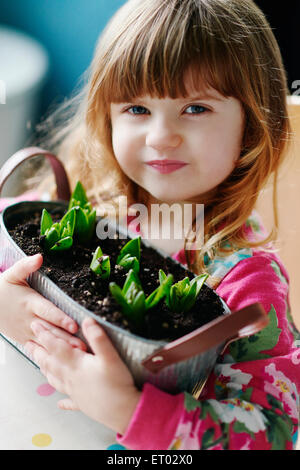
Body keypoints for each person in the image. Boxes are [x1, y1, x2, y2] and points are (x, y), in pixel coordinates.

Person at [1, 0, 300, 450]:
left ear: (252, 128)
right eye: (138, 109)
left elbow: (271, 431)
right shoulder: (84, 206)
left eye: (196, 108)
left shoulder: (245, 284)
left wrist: (126, 408)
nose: (161, 136)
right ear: (107, 117)